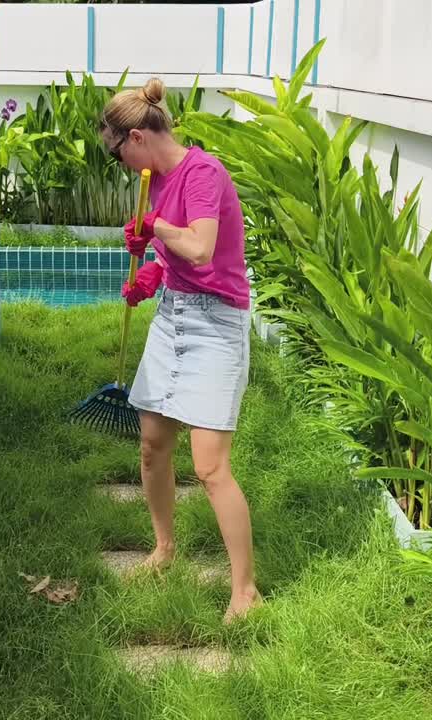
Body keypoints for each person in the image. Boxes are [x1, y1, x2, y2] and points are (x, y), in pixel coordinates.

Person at [99, 78, 261, 622]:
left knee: (211, 467)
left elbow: (200, 245)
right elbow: (176, 260)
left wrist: (156, 227)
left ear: (138, 137)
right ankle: (165, 548)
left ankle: (245, 591)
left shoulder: (203, 174)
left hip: (217, 324)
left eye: (117, 150)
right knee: (151, 444)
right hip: (175, 317)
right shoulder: (158, 180)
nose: (120, 162)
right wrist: (149, 276)